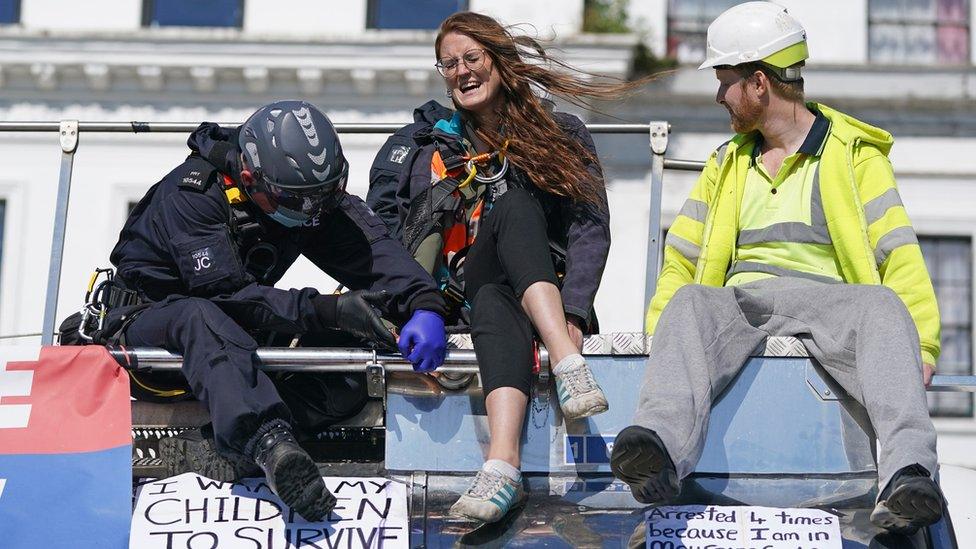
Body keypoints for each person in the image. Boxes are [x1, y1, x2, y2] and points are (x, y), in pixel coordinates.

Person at [610, 2, 944, 536]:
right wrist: (660, 337)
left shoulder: (856, 157)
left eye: (725, 82)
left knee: (883, 305)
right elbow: (684, 260)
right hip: (740, 306)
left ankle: (908, 473)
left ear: (759, 83)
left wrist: (921, 346)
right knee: (690, 300)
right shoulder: (725, 163)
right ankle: (658, 453)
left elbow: (897, 252)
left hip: (832, 306)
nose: (719, 96)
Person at [106, 101, 447, 521]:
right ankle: (269, 444)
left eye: (323, 199)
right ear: (249, 179)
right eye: (302, 203)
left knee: (353, 352)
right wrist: (329, 309)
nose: (314, 214)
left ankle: (223, 449)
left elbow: (374, 252)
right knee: (198, 315)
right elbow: (225, 296)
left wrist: (424, 305)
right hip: (154, 329)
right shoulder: (192, 195)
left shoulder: (303, 200)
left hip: (240, 336)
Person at [367, 12, 639, 523]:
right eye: (449, 64)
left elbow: (589, 229)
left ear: (499, 61)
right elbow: (381, 234)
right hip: (448, 303)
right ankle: (545, 397)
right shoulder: (418, 147)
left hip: (535, 304)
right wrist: (407, 308)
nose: (461, 72)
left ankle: (507, 455)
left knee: (506, 242)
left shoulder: (558, 134)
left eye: (472, 58)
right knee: (497, 260)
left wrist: (575, 313)